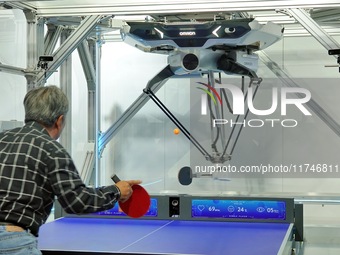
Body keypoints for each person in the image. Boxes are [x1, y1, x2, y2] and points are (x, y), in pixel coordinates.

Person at [0, 85, 141, 254]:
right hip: (13, 243)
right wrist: (117, 191)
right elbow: (77, 201)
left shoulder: (2, 138)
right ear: (59, 121)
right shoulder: (52, 150)